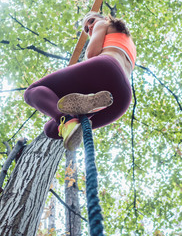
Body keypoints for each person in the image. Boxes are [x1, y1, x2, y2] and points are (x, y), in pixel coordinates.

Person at [23, 12, 136, 150]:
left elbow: (92, 54)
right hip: (121, 98)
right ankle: (88, 107)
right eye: (87, 29)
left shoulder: (103, 23)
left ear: (104, 18)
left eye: (91, 21)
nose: (90, 27)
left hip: (106, 68)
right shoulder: (128, 42)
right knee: (50, 130)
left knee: (32, 92)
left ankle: (71, 117)